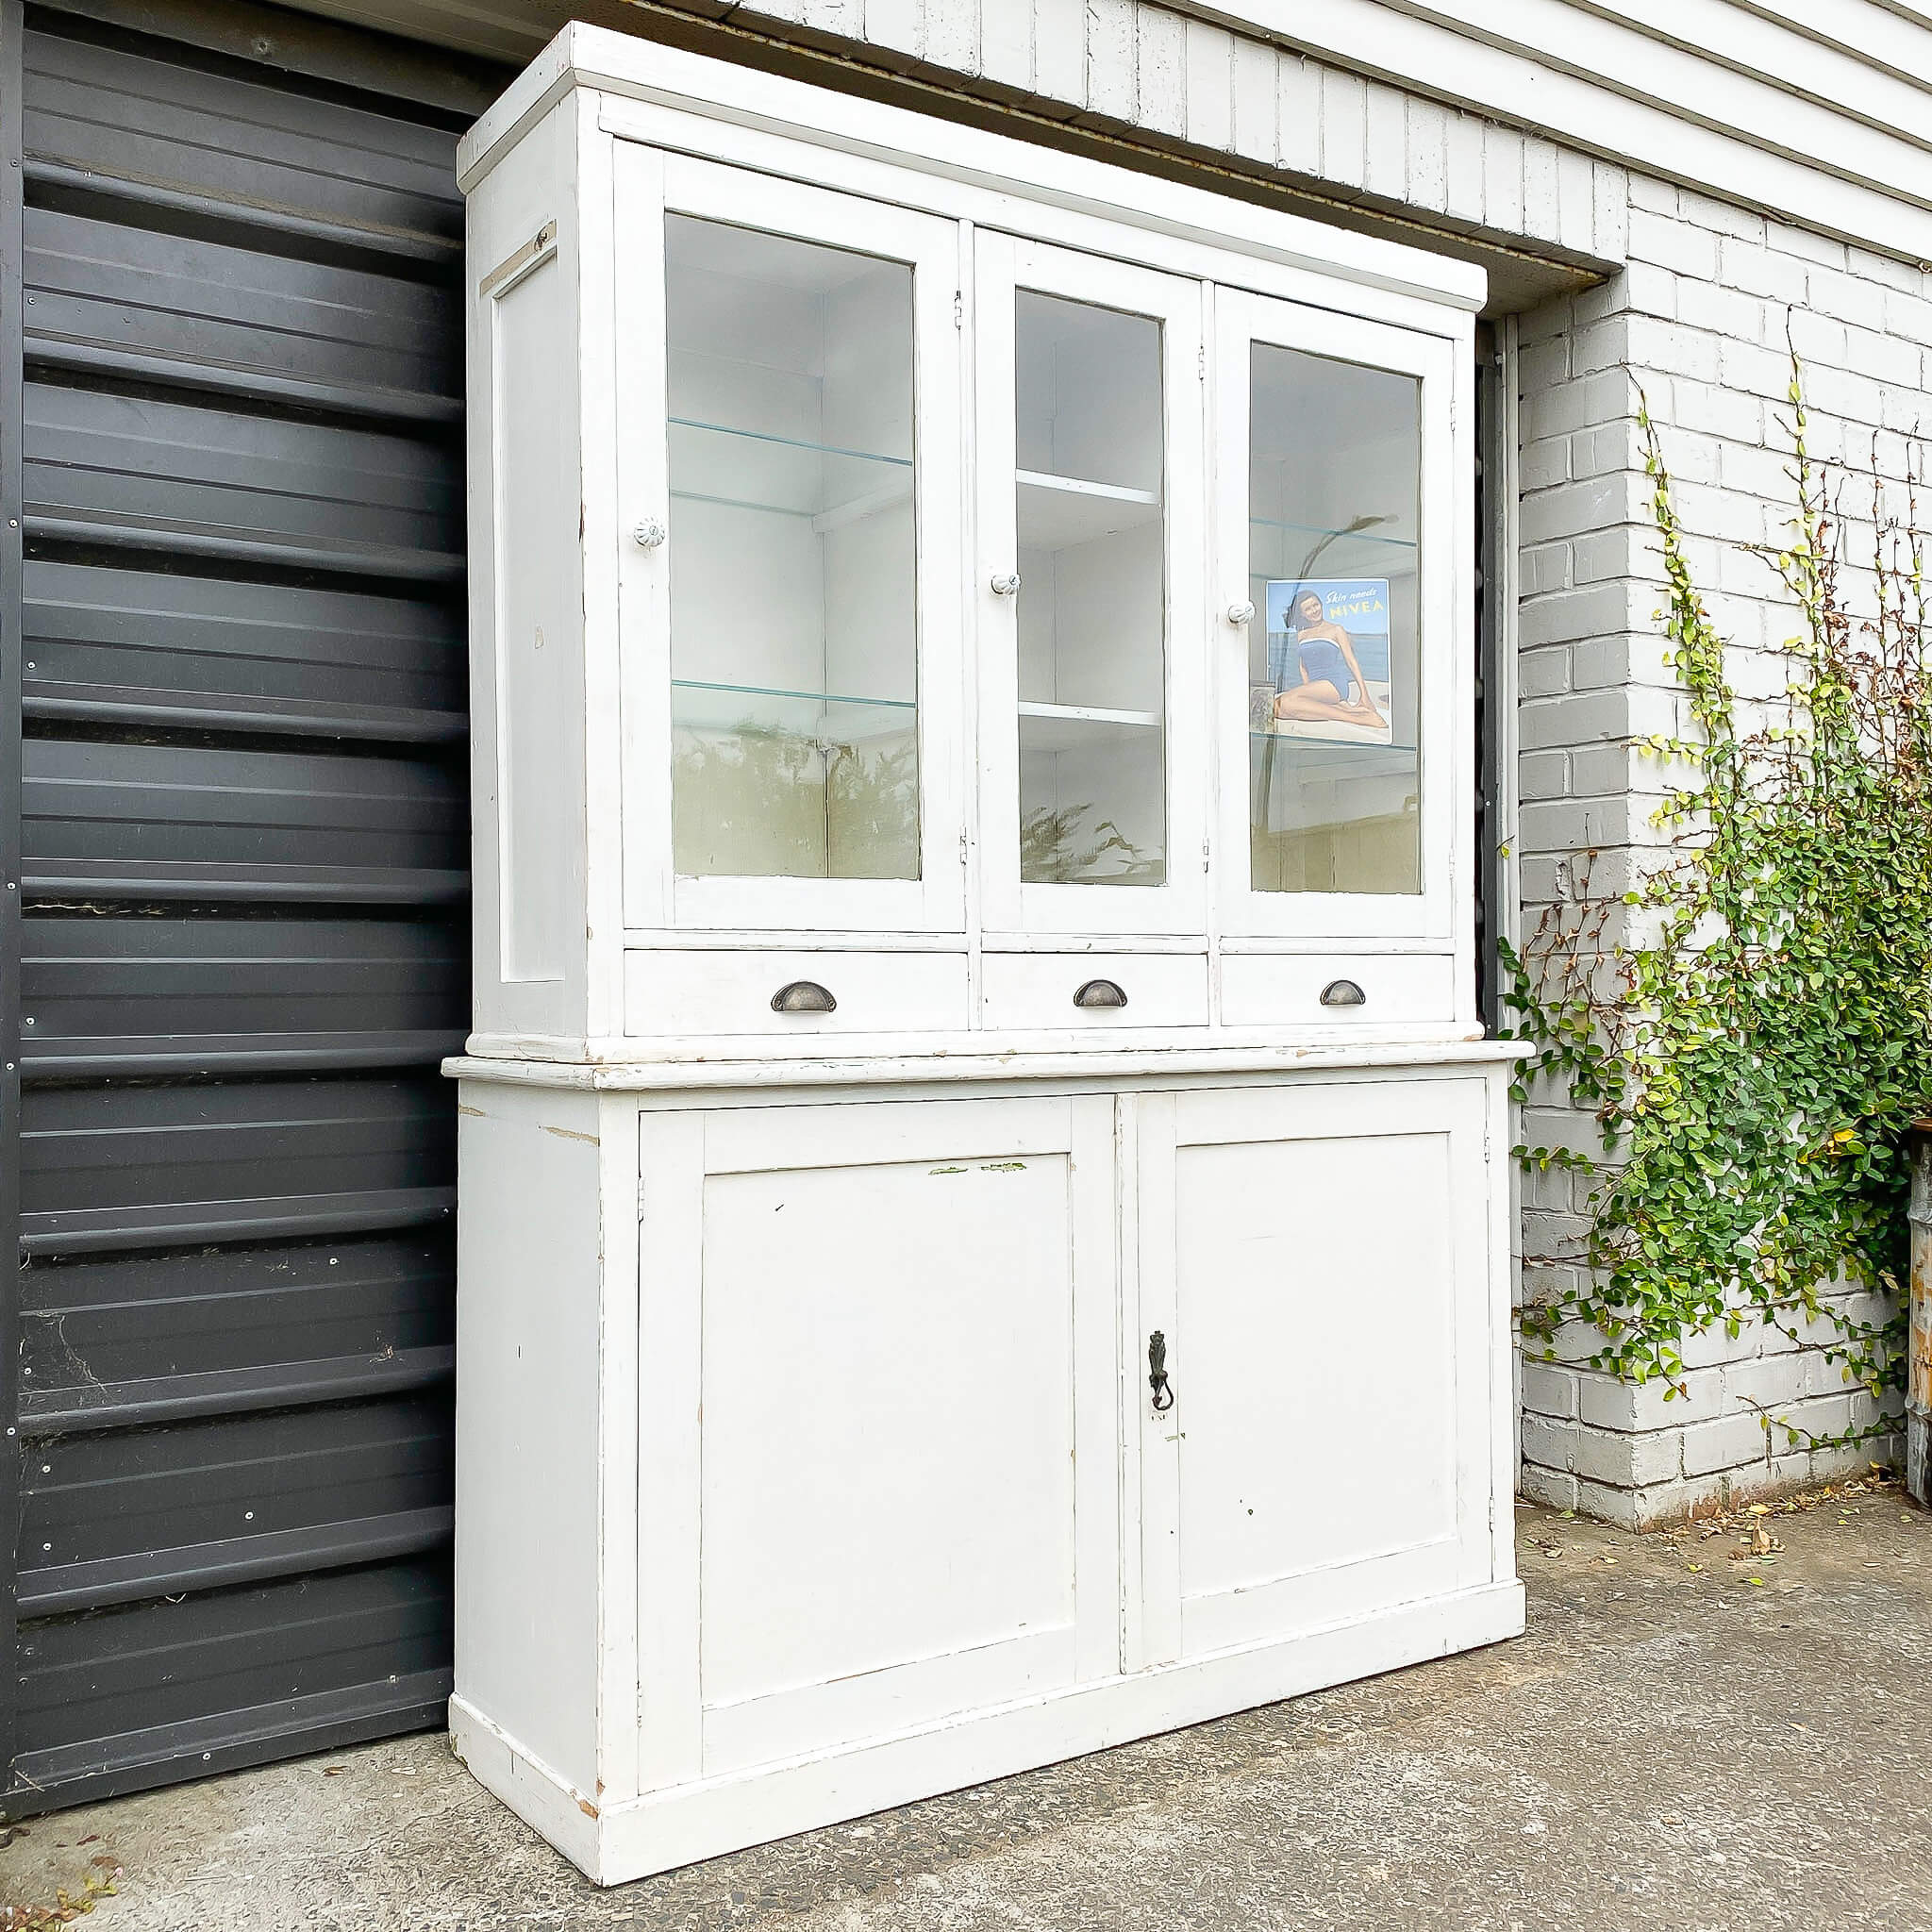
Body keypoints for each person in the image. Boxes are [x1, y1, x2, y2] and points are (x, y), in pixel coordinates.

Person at [1272, 588, 1387, 731]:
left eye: (1316, 605)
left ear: (1321, 604)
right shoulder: (1302, 634)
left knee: (1284, 702)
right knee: (1277, 708)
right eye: (1308, 609)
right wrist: (1308, 689)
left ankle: (1356, 717)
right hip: (1316, 686)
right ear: (1302, 614)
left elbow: (1351, 662)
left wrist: (1365, 695)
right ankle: (1346, 710)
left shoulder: (1336, 629)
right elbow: (1303, 667)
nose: (1314, 610)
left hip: (1333, 684)